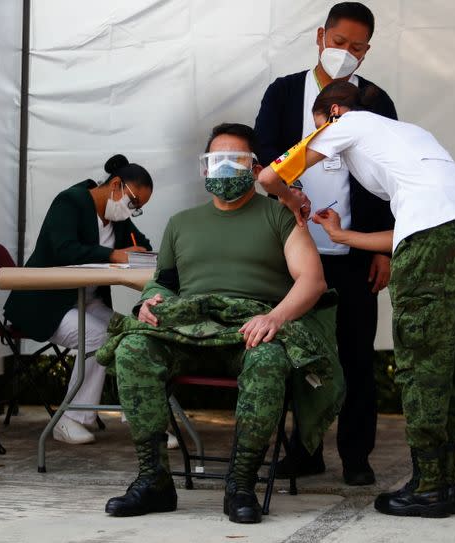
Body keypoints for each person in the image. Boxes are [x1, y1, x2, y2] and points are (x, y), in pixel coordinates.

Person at [257, 81, 455, 518]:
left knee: (421, 360)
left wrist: (294, 200)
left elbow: (270, 176)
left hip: (432, 237)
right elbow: (412, 229)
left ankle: (427, 487)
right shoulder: (413, 135)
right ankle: (443, 482)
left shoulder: (346, 122)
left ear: (331, 114)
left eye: (317, 129)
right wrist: (344, 236)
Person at [96, 123, 344, 524]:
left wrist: (274, 316)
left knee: (268, 360)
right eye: (217, 160)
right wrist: (149, 301)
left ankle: (241, 484)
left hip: (249, 333)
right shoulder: (181, 223)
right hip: (189, 332)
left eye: (236, 160)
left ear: (256, 166)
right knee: (132, 348)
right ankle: (154, 479)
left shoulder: (280, 216)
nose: (225, 168)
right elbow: (166, 282)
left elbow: (312, 281)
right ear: (204, 168)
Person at [253, 1, 396, 486]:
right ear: (320, 37)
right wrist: (287, 193)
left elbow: (389, 177)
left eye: (357, 48)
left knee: (357, 356)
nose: (345, 53)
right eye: (338, 43)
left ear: (367, 51)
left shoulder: (376, 99)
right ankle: (304, 451)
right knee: (297, 354)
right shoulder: (284, 92)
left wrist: (383, 249)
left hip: (356, 249)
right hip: (294, 250)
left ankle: (357, 456)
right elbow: (264, 160)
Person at [4, 154, 159, 445]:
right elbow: (64, 250)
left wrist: (140, 251)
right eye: (134, 202)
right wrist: (113, 255)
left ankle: (145, 415)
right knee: (99, 336)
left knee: (133, 333)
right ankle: (71, 418)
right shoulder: (71, 202)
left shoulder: (118, 218)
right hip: (47, 304)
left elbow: (141, 245)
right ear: (116, 185)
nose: (133, 210)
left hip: (88, 301)